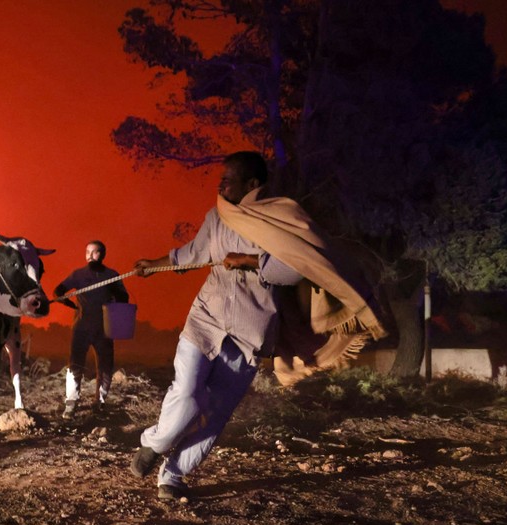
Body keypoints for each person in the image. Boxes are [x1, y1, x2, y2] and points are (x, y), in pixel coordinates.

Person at [129, 151, 387, 502]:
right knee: (186, 394)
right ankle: (156, 442)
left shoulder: (279, 218)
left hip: (250, 334)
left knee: (215, 412)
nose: (221, 185)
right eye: (221, 179)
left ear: (252, 184)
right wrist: (153, 264)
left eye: (228, 180)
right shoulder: (217, 216)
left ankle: (173, 476)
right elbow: (192, 254)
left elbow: (296, 267)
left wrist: (250, 260)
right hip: (205, 320)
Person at [54, 240, 129, 419]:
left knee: (105, 366)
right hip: (81, 327)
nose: (90, 255)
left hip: (104, 328)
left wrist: (115, 294)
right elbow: (58, 291)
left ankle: (100, 402)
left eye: (95, 252)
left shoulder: (112, 275)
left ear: (103, 255)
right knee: (75, 364)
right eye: (87, 251)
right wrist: (65, 301)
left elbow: (124, 298)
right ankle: (71, 403)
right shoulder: (78, 274)